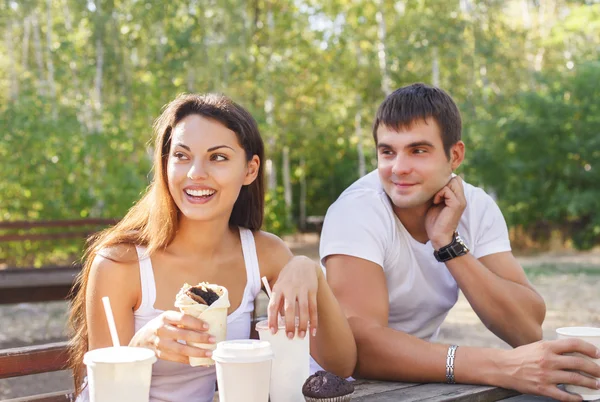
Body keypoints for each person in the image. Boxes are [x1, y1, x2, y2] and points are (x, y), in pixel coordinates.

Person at [319, 83, 600, 401]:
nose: (398, 168)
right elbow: (360, 348)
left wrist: (448, 245)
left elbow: (526, 329)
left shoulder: (475, 207)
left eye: (418, 150)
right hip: (333, 388)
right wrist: (498, 365)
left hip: (418, 383)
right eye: (387, 152)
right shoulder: (357, 209)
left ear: (455, 155)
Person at [68, 93, 356, 402]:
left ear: (250, 169)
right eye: (181, 156)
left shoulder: (263, 254)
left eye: (218, 157)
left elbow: (338, 366)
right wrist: (142, 346)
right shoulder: (120, 263)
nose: (196, 173)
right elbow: (104, 391)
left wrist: (310, 270)